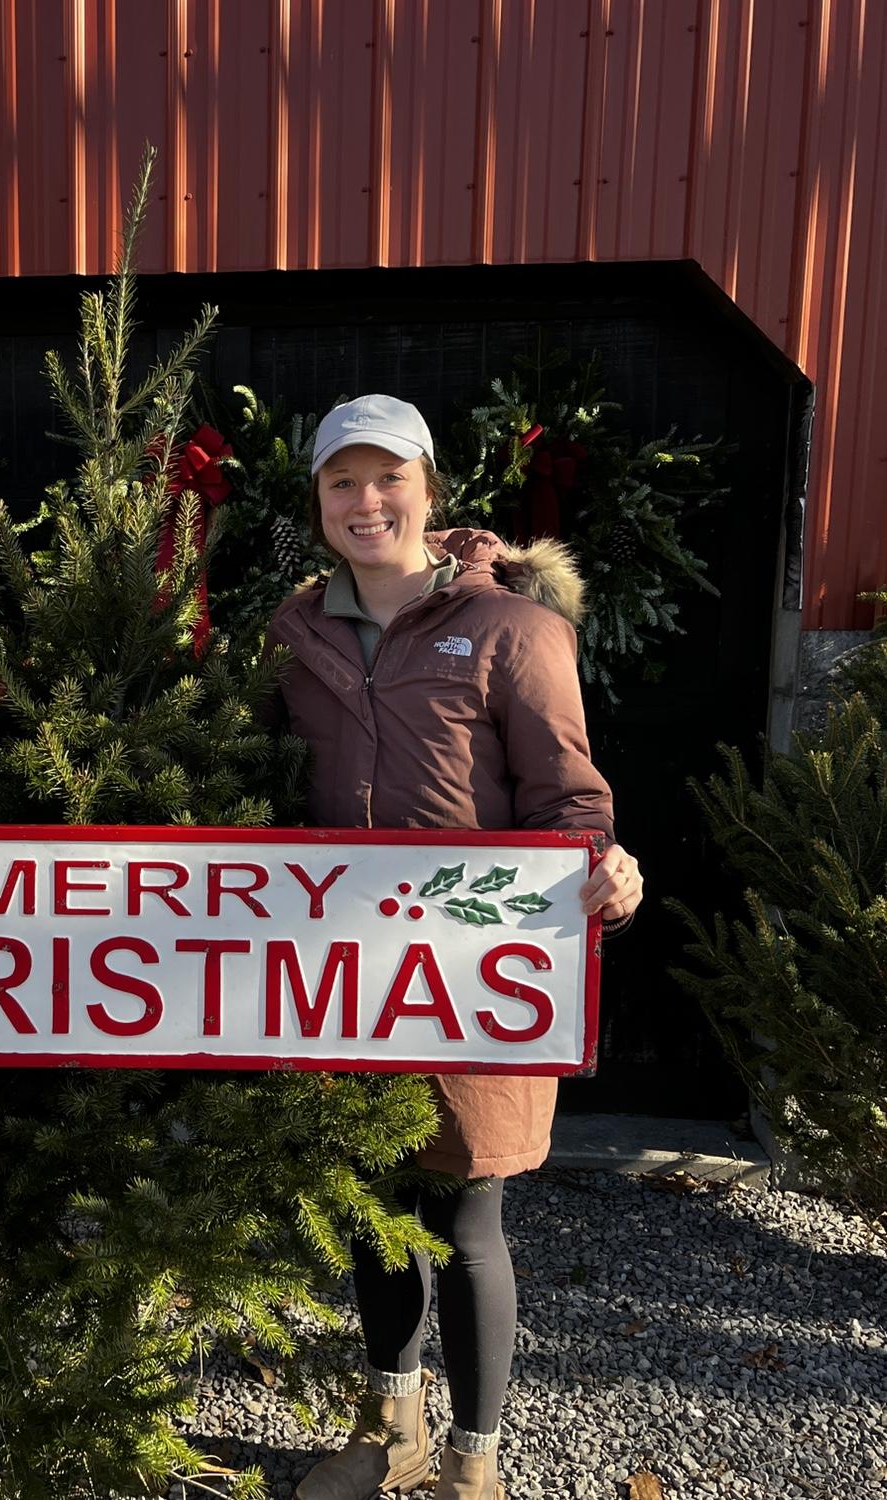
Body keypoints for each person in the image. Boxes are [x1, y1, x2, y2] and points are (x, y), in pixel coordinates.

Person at [268, 395, 644, 1500]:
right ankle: (393, 1430)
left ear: (429, 490)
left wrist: (603, 870)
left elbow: (569, 798)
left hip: (473, 971)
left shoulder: (513, 630)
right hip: (345, 974)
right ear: (319, 502)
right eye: (342, 482)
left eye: (389, 477)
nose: (366, 501)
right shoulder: (296, 633)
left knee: (466, 1218)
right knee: (376, 1210)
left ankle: (472, 1465)